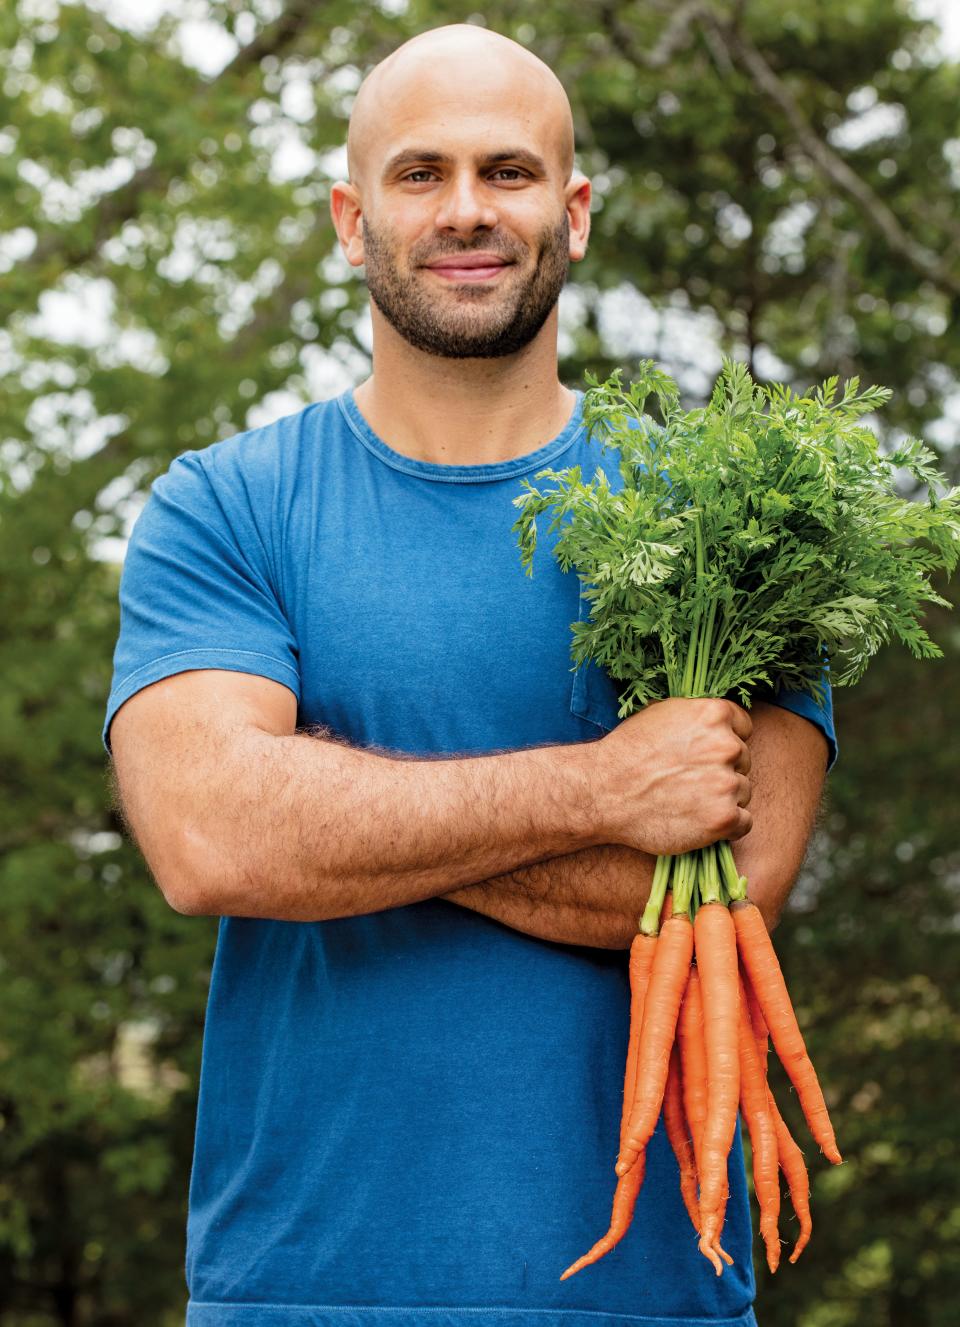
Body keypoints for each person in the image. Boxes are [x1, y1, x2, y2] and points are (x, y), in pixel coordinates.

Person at [104, 22, 836, 1327]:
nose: (465, 211)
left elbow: (747, 879)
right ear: (349, 216)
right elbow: (211, 837)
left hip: (652, 1298)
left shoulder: (732, 513)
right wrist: (609, 792)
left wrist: (327, 803)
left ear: (576, 209)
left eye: (506, 171)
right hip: (301, 1294)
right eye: (419, 172)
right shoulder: (227, 509)